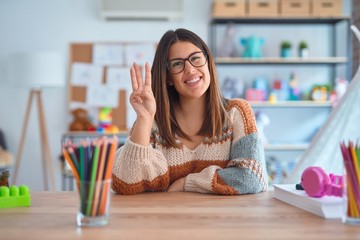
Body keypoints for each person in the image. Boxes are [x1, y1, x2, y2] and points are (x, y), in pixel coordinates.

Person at [111, 28, 268, 195]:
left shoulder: (237, 112)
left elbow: (252, 177)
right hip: (166, 219)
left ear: (208, 62)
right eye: (178, 63)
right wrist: (144, 118)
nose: (190, 69)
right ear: (168, 77)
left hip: (223, 220)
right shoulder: (152, 122)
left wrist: (187, 183)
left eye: (196, 58)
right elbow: (125, 183)